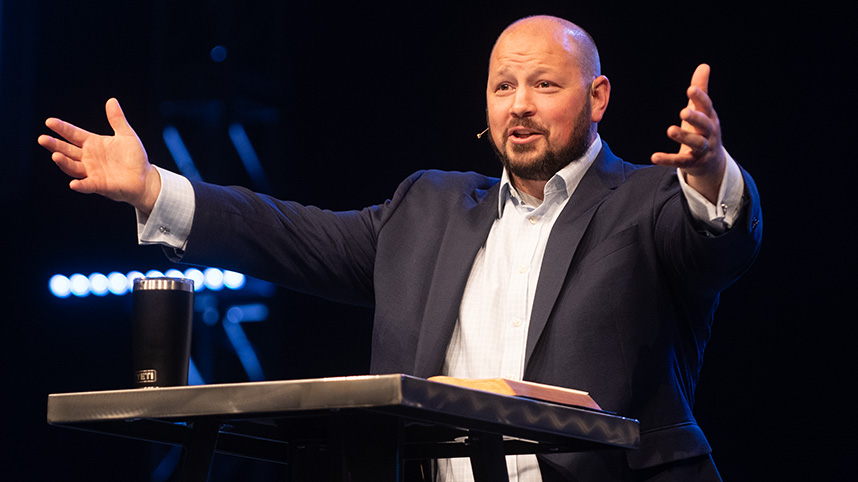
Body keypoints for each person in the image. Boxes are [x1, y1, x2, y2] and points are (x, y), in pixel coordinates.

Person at [39, 15, 761, 482]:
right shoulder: (427, 208)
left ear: (597, 97)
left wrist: (711, 174)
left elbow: (719, 241)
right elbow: (290, 234)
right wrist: (153, 189)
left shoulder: (650, 201)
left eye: (544, 85)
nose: (519, 104)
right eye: (503, 86)